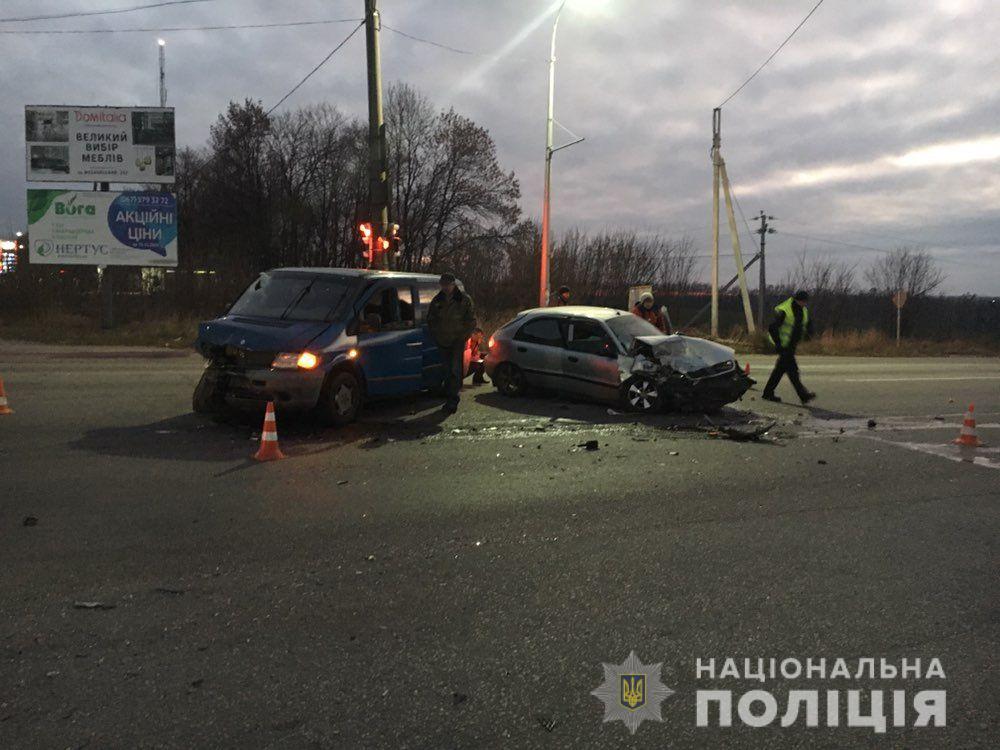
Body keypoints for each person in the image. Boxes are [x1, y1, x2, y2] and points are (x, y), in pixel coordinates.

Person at [427, 272, 477, 414]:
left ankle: (452, 400)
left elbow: (471, 321)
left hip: (457, 341)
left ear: (453, 284)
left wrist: (463, 337)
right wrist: (436, 334)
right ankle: (448, 397)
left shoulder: (463, 300)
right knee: (446, 371)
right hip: (442, 341)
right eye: (443, 285)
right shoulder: (438, 300)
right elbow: (431, 319)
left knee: (455, 371)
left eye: (447, 285)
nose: (445, 288)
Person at [762, 290, 816, 404]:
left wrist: (809, 333)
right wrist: (778, 344)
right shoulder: (785, 310)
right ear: (798, 300)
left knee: (781, 370)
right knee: (793, 371)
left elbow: (807, 323)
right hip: (783, 345)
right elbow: (772, 328)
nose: (805, 304)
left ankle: (768, 393)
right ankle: (803, 395)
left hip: (791, 344)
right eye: (803, 301)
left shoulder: (803, 311)